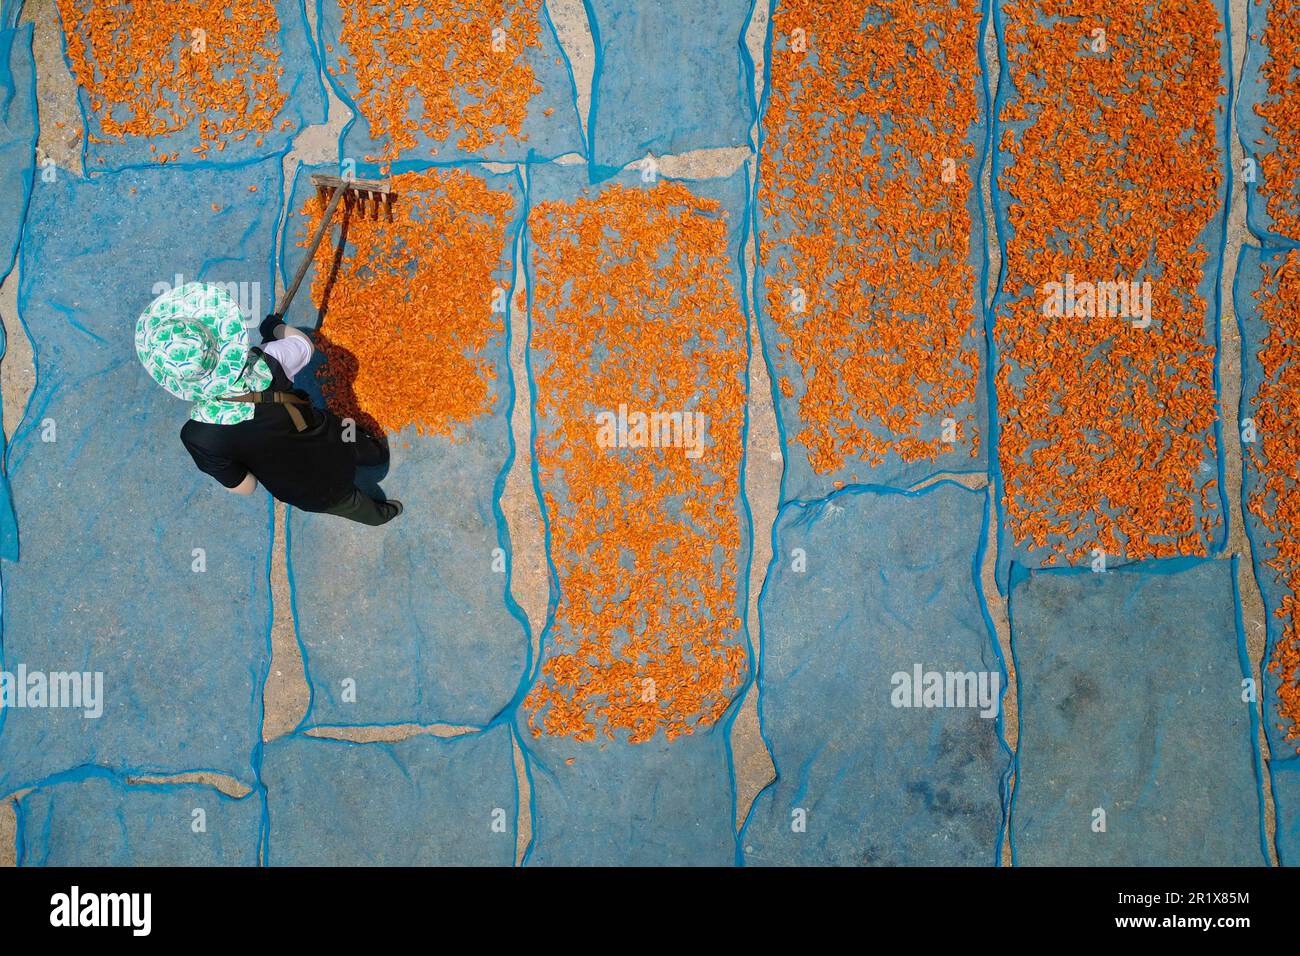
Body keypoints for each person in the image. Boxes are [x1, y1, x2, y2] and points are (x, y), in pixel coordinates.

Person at [135, 282, 402, 525]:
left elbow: (246, 486)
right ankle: (375, 454)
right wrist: (274, 327)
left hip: (311, 490)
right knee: (351, 439)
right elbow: (303, 346)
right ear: (217, 337)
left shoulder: (198, 437)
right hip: (333, 439)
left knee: (351, 504)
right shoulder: (268, 360)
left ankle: (383, 514)